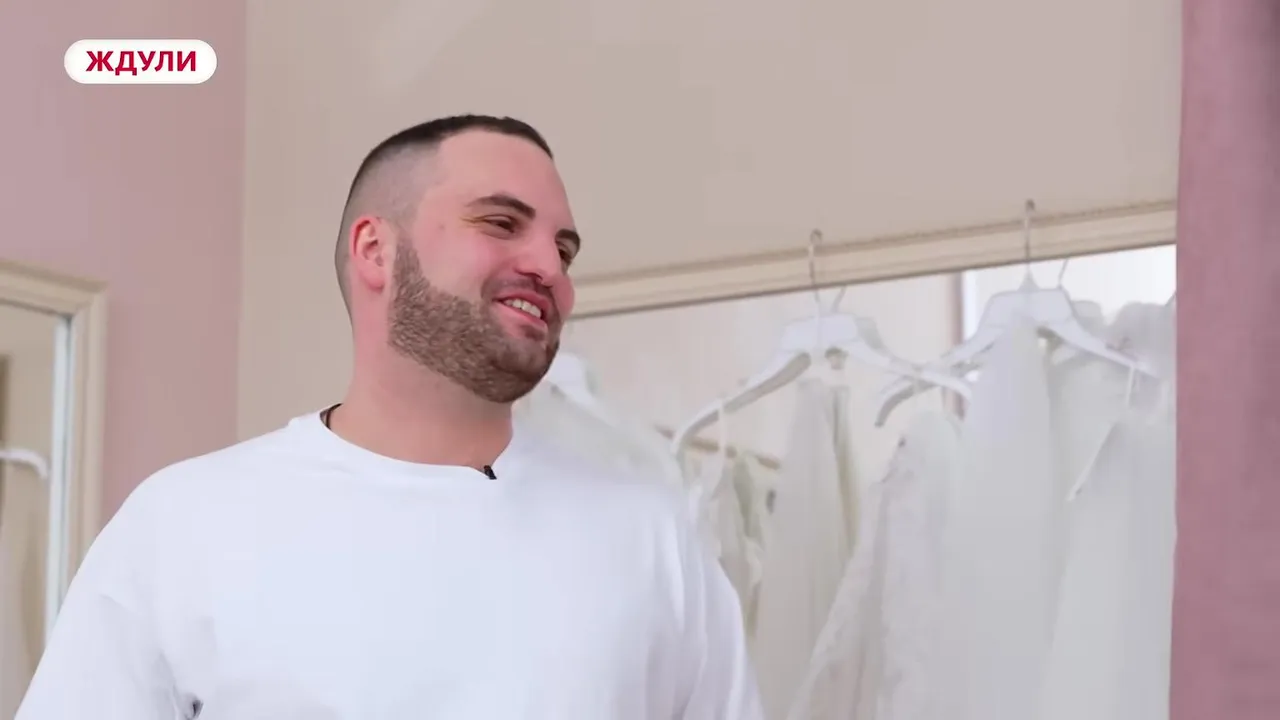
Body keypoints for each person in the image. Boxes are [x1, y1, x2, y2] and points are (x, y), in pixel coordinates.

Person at [16, 115, 763, 719]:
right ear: (376, 249)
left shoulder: (652, 540)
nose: (551, 270)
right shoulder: (183, 524)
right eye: (501, 223)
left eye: (564, 250)